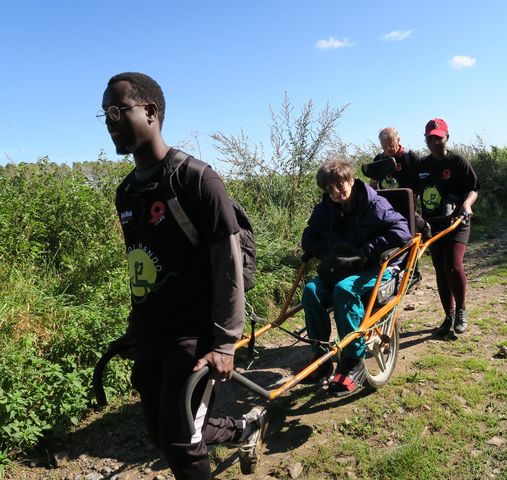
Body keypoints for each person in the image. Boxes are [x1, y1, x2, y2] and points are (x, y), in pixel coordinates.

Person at [100, 72, 266, 479]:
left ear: (151, 112)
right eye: (104, 114)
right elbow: (141, 265)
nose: (109, 121)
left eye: (117, 111)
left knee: (179, 442)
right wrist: (134, 325)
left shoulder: (194, 179)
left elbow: (228, 261)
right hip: (151, 332)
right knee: (162, 431)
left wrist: (226, 342)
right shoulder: (128, 192)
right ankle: (244, 427)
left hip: (193, 334)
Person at [301, 157, 411, 394]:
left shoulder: (374, 205)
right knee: (311, 290)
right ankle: (320, 356)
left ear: (351, 180)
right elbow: (308, 238)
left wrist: (364, 252)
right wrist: (331, 254)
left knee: (344, 289)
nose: (335, 192)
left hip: (375, 266)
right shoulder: (325, 210)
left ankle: (353, 361)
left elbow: (403, 232)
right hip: (343, 268)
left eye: (339, 185)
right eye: (329, 189)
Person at [417, 118, 479, 335]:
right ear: (426, 140)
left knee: (452, 265)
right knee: (440, 271)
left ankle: (461, 311)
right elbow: (410, 190)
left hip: (457, 223)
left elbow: (473, 189)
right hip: (433, 226)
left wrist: (466, 205)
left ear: (447, 138)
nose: (434, 142)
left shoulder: (458, 162)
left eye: (438, 138)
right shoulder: (422, 166)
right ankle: (448, 315)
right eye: (430, 139)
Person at [370, 127, 421, 191]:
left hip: (406, 199)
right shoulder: (379, 159)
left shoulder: (410, 157)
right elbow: (372, 184)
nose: (388, 149)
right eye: (384, 146)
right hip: (385, 199)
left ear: (398, 140)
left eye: (391, 145)